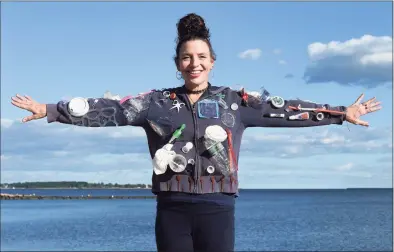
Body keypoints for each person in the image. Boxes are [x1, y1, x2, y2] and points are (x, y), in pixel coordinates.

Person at [11, 13, 381, 252]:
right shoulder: (155, 102)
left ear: (212, 62)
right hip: (171, 208)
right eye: (187, 57)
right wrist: (50, 110)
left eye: (201, 57)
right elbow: (109, 110)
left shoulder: (235, 101)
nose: (194, 64)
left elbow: (285, 110)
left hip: (218, 207)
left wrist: (339, 113)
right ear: (178, 64)